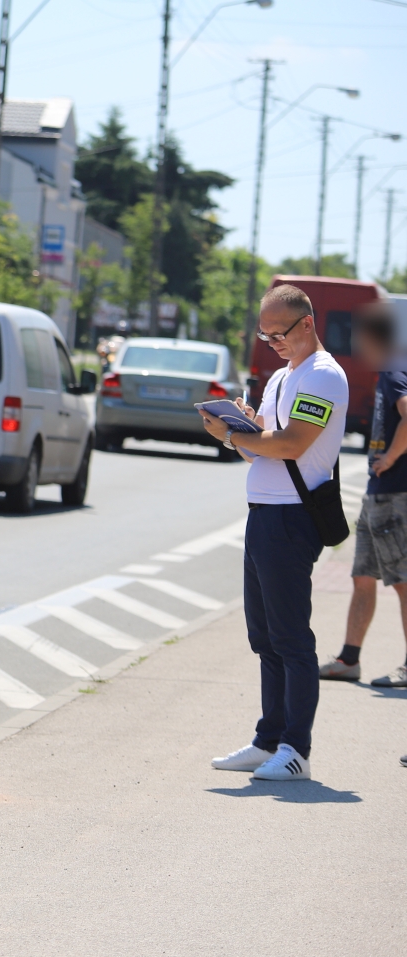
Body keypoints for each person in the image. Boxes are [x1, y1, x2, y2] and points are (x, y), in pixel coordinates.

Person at [203, 284, 348, 782]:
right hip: (264, 510)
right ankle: (269, 739)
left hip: (292, 516)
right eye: (266, 337)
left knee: (290, 637)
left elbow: (290, 444)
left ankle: (295, 749)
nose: (274, 343)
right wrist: (238, 428)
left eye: (279, 334)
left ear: (307, 323)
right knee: (264, 636)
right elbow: (257, 447)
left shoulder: (324, 376)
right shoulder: (284, 376)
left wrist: (233, 434)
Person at [318, 302, 407, 689]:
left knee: (404, 581)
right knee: (363, 576)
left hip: (395, 495)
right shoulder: (389, 371)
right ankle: (349, 659)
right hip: (379, 494)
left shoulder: (394, 370)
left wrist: (391, 454)